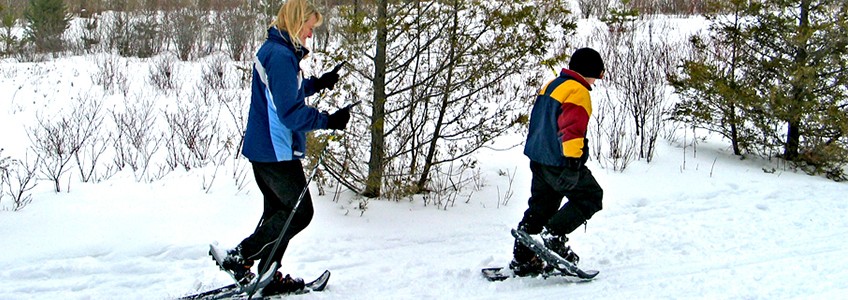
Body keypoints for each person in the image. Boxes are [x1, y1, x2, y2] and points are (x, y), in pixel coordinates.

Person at [216, 0, 351, 295]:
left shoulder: (277, 51)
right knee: (299, 214)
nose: (310, 35)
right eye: (308, 27)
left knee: (281, 213)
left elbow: (284, 90)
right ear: (295, 22)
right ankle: (239, 257)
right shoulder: (280, 56)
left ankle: (267, 275)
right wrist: (329, 120)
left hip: (266, 150)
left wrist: (318, 84)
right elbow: (289, 112)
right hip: (275, 151)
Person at [509, 48, 605, 276]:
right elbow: (572, 131)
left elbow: (541, 121)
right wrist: (573, 165)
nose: (597, 80)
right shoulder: (578, 91)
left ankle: (524, 258)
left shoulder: (553, 84)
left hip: (539, 158)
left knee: (542, 206)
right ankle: (553, 236)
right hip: (560, 161)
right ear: (591, 71)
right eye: (598, 74)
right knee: (591, 197)